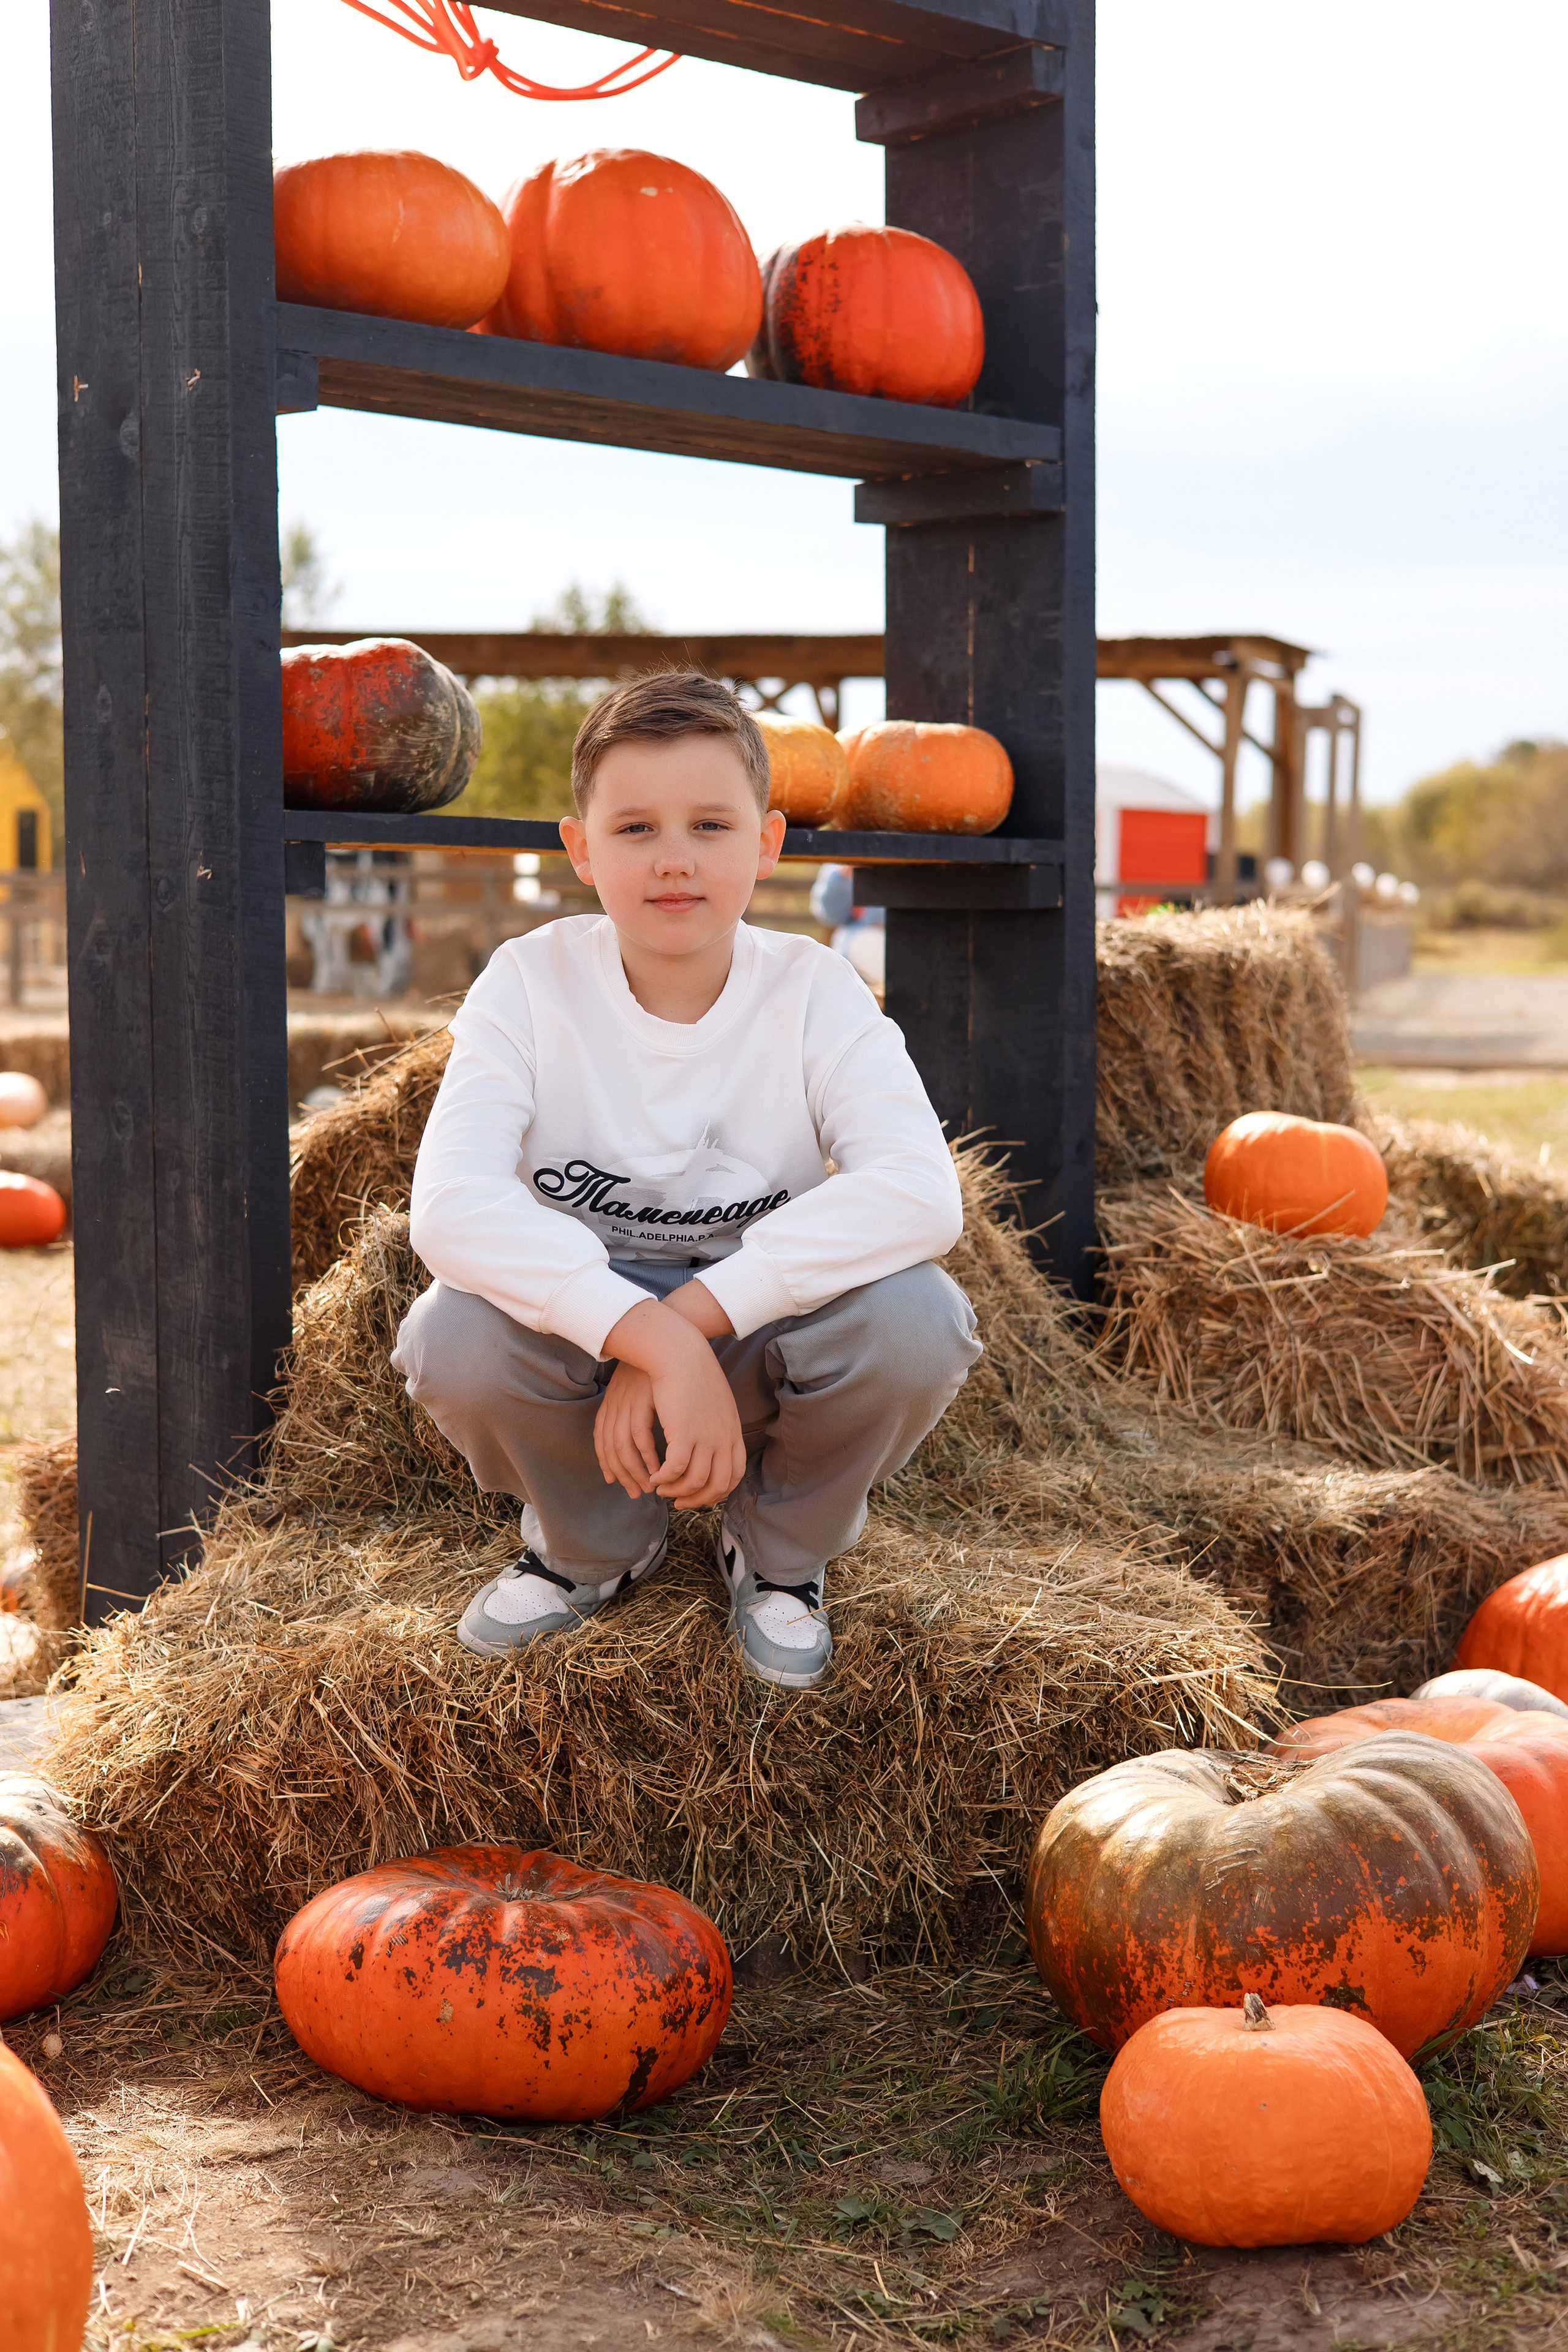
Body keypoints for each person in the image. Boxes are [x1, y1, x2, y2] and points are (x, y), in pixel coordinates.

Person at [391, 671, 981, 1690]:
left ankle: (782, 1554)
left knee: (920, 1320)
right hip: (586, 1335)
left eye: (711, 824)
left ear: (769, 842)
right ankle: (593, 1544)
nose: (674, 859)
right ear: (579, 850)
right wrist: (643, 1335)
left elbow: (922, 1192)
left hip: (757, 1327)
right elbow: (448, 1208)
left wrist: (693, 1323)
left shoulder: (814, 990)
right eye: (634, 829)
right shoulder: (529, 983)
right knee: (453, 1335)